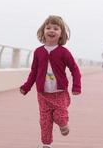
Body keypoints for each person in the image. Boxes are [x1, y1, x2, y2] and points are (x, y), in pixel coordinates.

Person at [20, 15, 81, 148]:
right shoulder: (38, 52)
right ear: (43, 31)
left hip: (59, 93)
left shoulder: (64, 52)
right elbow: (34, 72)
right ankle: (46, 145)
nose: (51, 30)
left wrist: (76, 86)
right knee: (45, 121)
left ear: (61, 34)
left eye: (56, 28)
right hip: (43, 94)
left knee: (59, 117)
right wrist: (26, 87)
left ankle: (63, 123)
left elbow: (74, 69)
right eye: (48, 28)